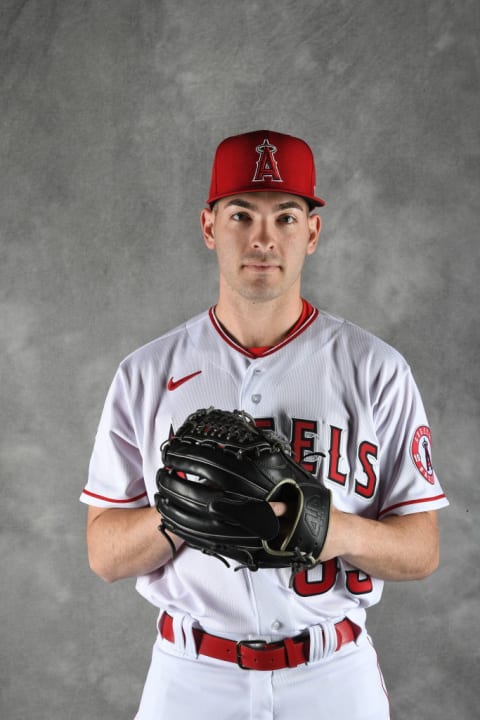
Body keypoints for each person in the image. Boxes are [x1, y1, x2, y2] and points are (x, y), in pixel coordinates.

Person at [81, 129, 449, 720]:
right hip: (190, 676)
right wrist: (195, 514)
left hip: (333, 677)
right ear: (208, 227)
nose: (262, 239)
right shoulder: (146, 373)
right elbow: (104, 552)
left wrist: (331, 529)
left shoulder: (375, 369)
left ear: (312, 232)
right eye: (240, 214)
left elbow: (422, 549)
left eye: (284, 216)